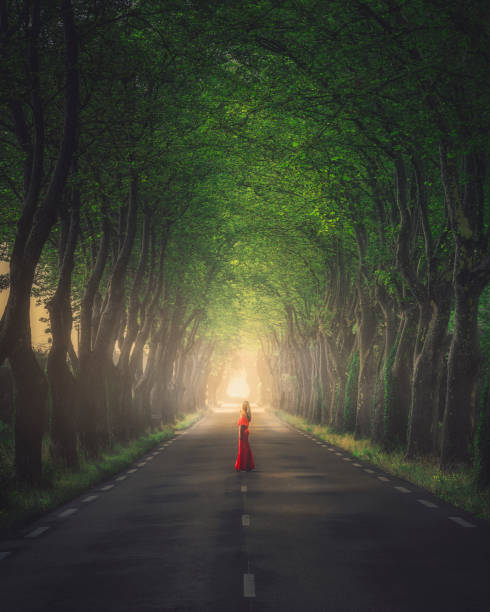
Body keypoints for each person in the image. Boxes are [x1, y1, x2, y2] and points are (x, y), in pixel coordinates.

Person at [235, 400, 255, 472]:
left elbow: (241, 426)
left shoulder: (242, 413)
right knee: (246, 449)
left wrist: (240, 435)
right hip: (246, 432)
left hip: (243, 433)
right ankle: (247, 466)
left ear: (243, 406)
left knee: (242, 450)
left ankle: (243, 466)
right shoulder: (248, 414)